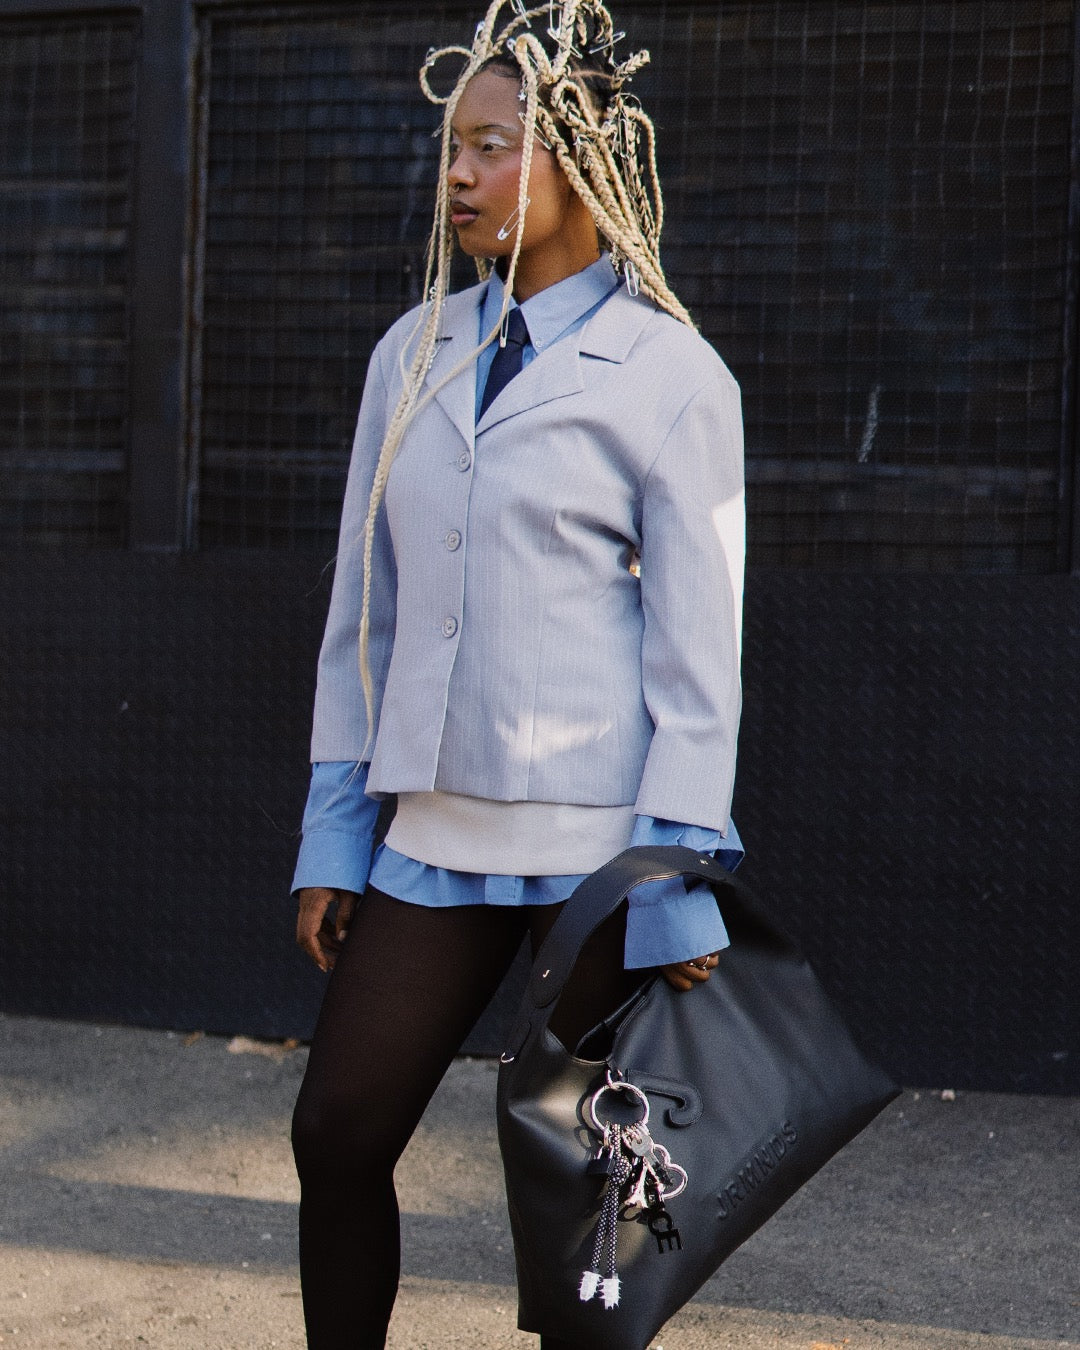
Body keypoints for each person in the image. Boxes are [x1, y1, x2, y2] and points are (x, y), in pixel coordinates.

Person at [289, 2, 745, 1346]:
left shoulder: (671, 374)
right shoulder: (411, 352)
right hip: (432, 836)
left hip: (600, 851)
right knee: (337, 1128)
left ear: (582, 164)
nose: (461, 174)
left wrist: (675, 871)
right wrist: (336, 828)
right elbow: (363, 615)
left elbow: (698, 654)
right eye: (455, 148)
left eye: (494, 147)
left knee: (575, 1176)